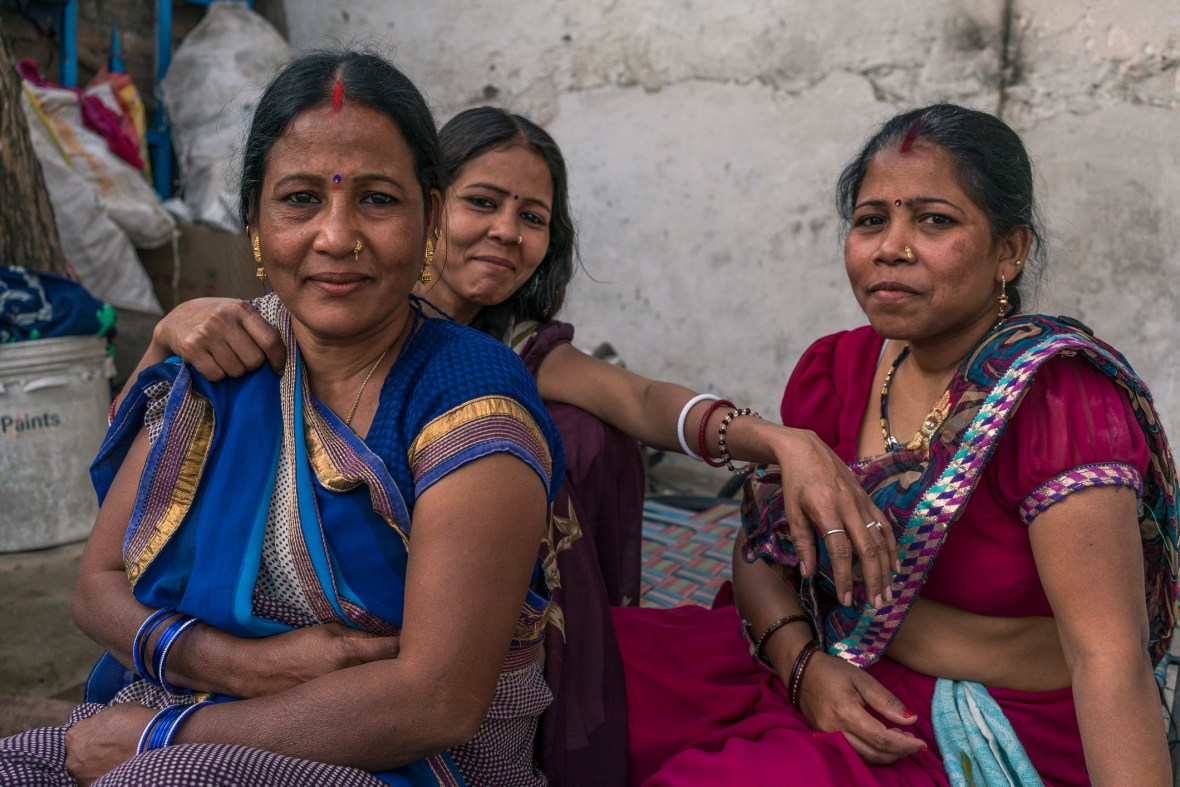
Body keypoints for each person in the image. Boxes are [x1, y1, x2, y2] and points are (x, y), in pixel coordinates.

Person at [129, 106, 901, 783]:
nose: (507, 230)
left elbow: (638, 399)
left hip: (437, 671)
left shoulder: (511, 352)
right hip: (260, 635)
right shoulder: (308, 320)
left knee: (590, 435)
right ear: (427, 206)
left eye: (532, 216)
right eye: (484, 202)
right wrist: (167, 336)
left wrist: (782, 442)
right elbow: (129, 505)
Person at [0, 50, 568, 786]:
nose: (336, 236)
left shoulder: (469, 395)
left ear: (430, 217)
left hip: (418, 761)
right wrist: (238, 666)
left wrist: (161, 742)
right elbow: (97, 585)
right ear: (254, 221)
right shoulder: (227, 356)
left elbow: (436, 702)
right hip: (194, 701)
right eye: (300, 198)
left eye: (377, 199)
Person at [611, 103, 1177, 785]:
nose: (891, 247)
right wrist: (804, 668)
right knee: (588, 663)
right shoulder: (837, 370)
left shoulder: (1055, 403)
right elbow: (763, 550)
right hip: (823, 671)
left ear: (1010, 249)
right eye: (871, 220)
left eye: (934, 220)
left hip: (973, 723)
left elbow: (1108, 660)